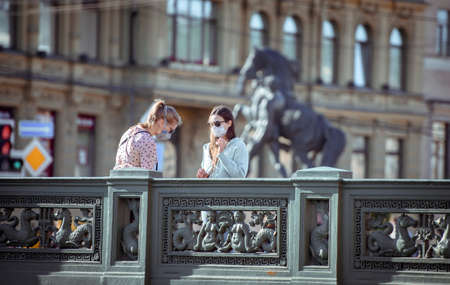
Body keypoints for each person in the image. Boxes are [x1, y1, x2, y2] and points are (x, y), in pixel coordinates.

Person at [114, 99, 182, 170]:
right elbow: (147, 175)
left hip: (118, 179)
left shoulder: (129, 132)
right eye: (170, 130)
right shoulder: (148, 141)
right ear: (161, 122)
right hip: (134, 180)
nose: (169, 134)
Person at [197, 105, 249, 178]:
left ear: (229, 123)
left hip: (228, 190)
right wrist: (204, 176)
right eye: (211, 124)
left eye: (217, 123)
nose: (214, 127)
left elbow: (240, 176)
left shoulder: (239, 145)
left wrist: (221, 154)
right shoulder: (207, 147)